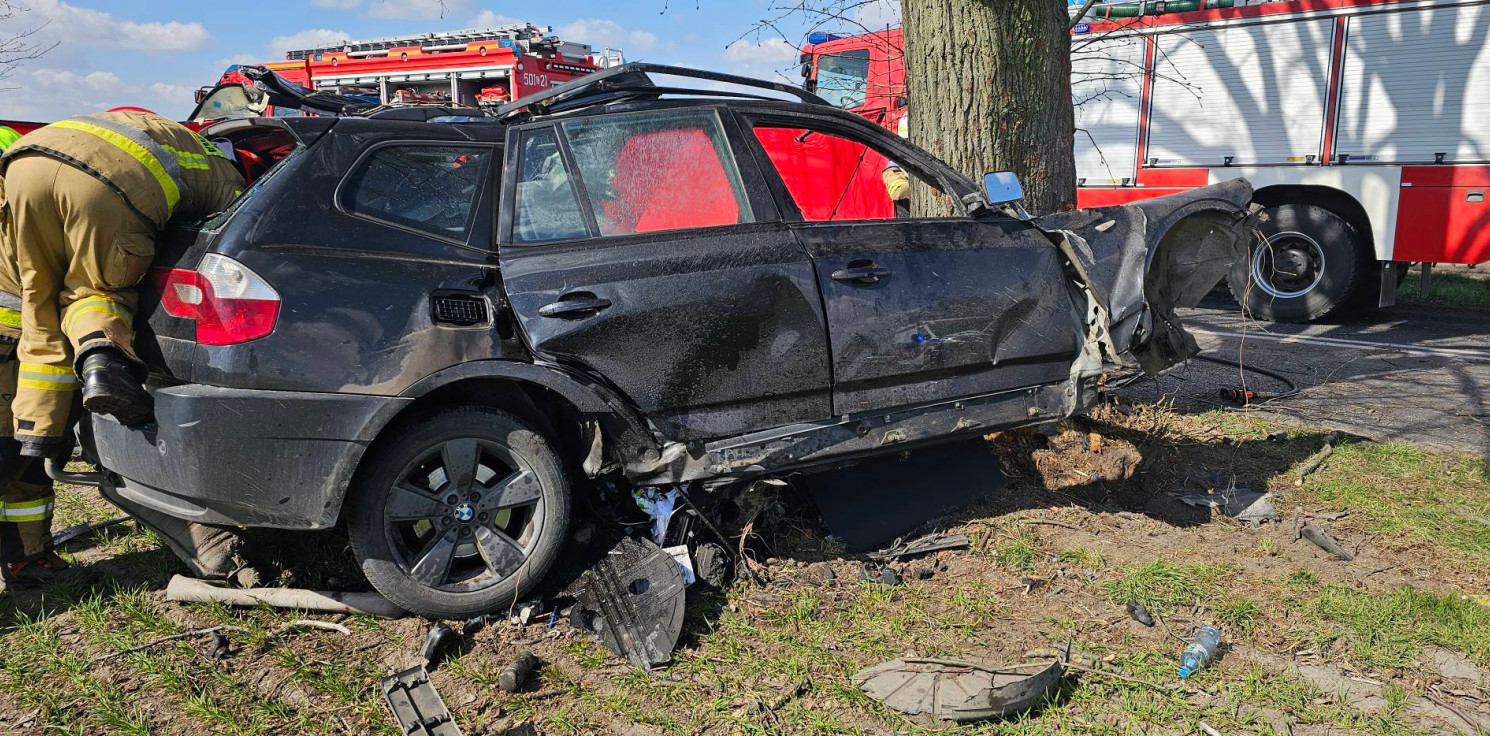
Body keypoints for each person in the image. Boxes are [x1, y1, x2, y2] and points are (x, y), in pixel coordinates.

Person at [0, 110, 248, 585]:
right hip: (104, 192)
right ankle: (105, 364)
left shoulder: (159, 129)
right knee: (101, 291)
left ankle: (37, 434)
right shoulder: (230, 180)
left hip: (24, 168)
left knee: (40, 306)